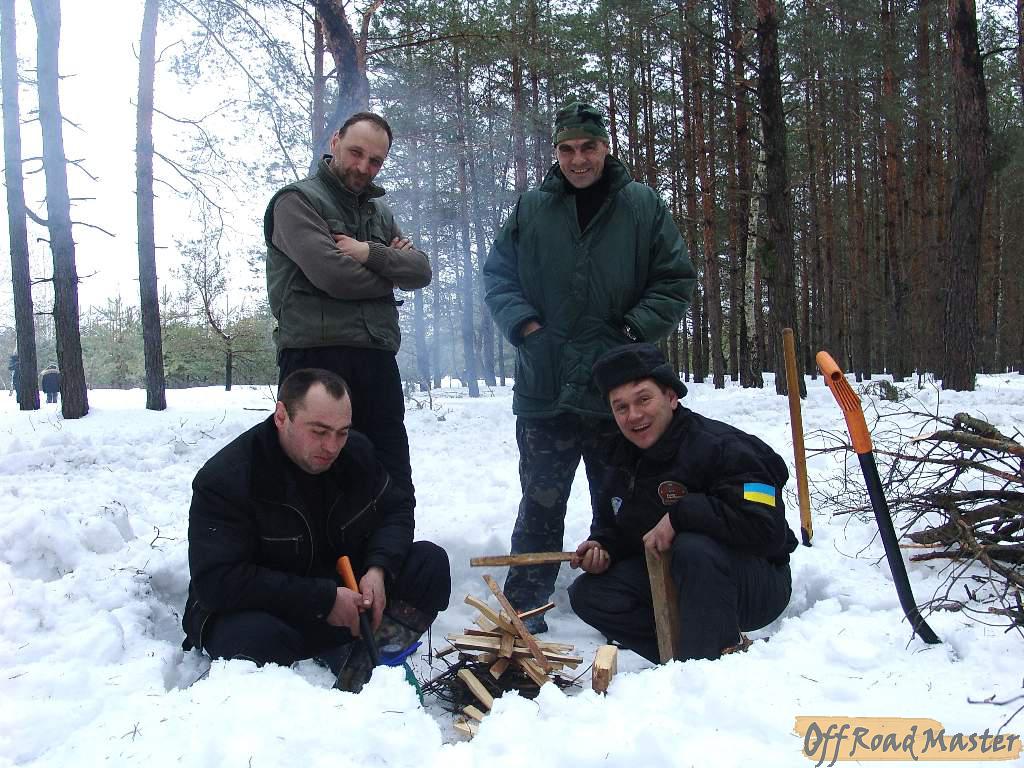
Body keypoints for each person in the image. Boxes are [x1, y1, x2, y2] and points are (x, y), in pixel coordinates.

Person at [482, 101, 696, 631]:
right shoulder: (532, 208)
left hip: (615, 393)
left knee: (618, 502)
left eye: (588, 147)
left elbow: (674, 279)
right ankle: (525, 606)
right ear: (556, 153)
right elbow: (499, 275)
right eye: (567, 149)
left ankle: (618, 597)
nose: (578, 159)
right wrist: (526, 329)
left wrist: (632, 334)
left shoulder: (642, 205)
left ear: (606, 148)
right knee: (540, 500)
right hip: (546, 386)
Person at [182, 368, 451, 692]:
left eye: (342, 432)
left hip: (343, 598)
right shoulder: (227, 478)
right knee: (256, 639)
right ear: (282, 416)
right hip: (269, 608)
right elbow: (217, 582)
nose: (332, 446)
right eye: (319, 431)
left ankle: (371, 656)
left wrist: (378, 569)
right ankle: (296, 684)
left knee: (429, 565)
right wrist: (322, 599)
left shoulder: (355, 453)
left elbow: (395, 509)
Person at [567, 344, 798, 662]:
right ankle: (681, 661)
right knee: (589, 593)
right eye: (621, 407)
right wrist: (603, 547)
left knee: (692, 548)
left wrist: (682, 514)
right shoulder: (618, 457)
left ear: (672, 397)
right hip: (673, 577)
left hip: (755, 582)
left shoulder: (726, 448)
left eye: (643, 399)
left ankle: (708, 666)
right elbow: (618, 527)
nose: (634, 416)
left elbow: (765, 529)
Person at [264, 112, 431, 497]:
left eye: (375, 161)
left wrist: (367, 252)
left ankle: (390, 539)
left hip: (377, 358)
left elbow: (421, 271)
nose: (363, 167)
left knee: (389, 476)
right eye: (356, 153)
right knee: (313, 479)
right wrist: (390, 271)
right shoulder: (297, 202)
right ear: (335, 142)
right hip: (314, 357)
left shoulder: (379, 212)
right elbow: (333, 275)